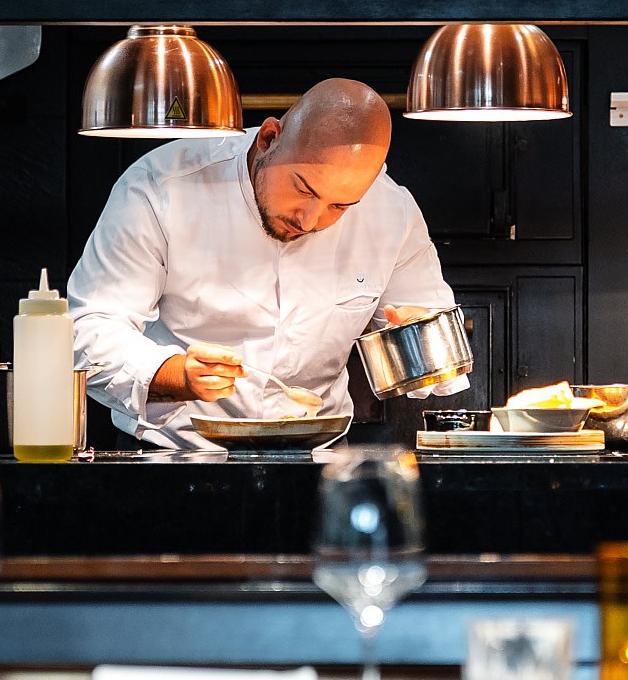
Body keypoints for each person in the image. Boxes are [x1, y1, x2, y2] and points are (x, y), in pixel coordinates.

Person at [68, 77, 467, 450]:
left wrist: (426, 336)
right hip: (174, 452)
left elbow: (438, 357)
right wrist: (174, 373)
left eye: (340, 206)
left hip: (320, 457)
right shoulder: (161, 187)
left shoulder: (391, 211)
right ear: (269, 138)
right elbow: (88, 329)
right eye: (302, 188)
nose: (310, 221)